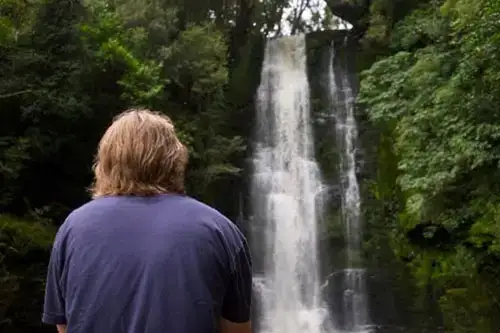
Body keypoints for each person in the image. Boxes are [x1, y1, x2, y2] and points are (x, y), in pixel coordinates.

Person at [42, 109, 252, 333]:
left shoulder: (73, 228)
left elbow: (64, 326)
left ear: (105, 163)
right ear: (175, 161)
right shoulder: (220, 231)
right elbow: (236, 329)